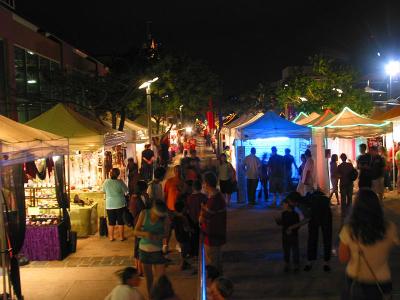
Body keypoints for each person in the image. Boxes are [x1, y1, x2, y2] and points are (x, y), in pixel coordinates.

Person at [339, 189, 399, 300]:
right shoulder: (390, 227)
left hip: (356, 279)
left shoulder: (349, 230)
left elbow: (343, 258)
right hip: (382, 279)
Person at [133, 200, 169, 295]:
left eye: (159, 216)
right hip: (144, 250)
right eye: (156, 214)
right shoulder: (144, 213)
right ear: (152, 209)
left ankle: (160, 297)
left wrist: (158, 236)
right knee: (149, 279)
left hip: (157, 251)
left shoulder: (165, 217)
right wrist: (146, 234)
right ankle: (151, 297)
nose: (157, 217)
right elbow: (135, 231)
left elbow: (166, 233)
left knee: (161, 279)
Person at [200, 172, 227, 274]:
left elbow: (202, 218)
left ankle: (215, 283)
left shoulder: (213, 201)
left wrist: (202, 210)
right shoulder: (219, 196)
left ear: (206, 184)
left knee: (212, 263)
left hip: (212, 237)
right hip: (219, 235)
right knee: (218, 261)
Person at [303, 190, 333, 272]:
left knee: (313, 237)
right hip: (322, 207)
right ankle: (325, 262)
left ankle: (312, 261)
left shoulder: (306, 201)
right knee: (325, 237)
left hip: (318, 207)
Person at [129, 180, 151, 276]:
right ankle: (139, 270)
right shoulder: (136, 199)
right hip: (139, 224)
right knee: (138, 246)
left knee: (139, 246)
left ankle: (139, 269)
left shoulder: (139, 197)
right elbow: (140, 211)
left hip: (141, 223)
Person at [103, 168, 129, 242]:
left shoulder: (106, 182)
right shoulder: (120, 182)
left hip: (110, 204)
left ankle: (111, 237)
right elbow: (126, 190)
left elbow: (103, 191)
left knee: (111, 221)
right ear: (118, 174)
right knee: (121, 221)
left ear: (110, 174)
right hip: (120, 203)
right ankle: (121, 237)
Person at [275, 198, 300, 272]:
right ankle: (289, 264)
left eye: (284, 204)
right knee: (288, 250)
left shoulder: (294, 214)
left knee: (292, 250)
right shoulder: (285, 213)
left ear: (288, 205)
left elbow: (297, 225)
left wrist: (291, 228)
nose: (283, 206)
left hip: (291, 235)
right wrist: (278, 221)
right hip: (287, 235)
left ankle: (292, 264)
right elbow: (283, 223)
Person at [186, 180, 208, 257]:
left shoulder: (189, 198)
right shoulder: (204, 197)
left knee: (193, 237)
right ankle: (201, 252)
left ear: (193, 188)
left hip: (192, 220)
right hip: (201, 220)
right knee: (201, 237)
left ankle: (194, 252)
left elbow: (188, 209)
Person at [171, 200, 192, 270]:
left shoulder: (175, 218)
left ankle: (184, 263)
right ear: (183, 209)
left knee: (182, 250)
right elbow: (186, 228)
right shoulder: (183, 218)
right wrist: (191, 230)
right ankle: (182, 264)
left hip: (178, 236)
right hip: (184, 236)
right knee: (185, 250)